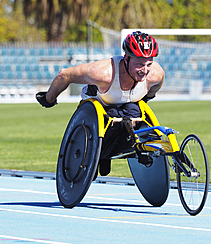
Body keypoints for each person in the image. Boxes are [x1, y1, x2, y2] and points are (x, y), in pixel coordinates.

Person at [36, 31, 165, 176]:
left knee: (135, 115)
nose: (145, 70)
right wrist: (49, 99)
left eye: (149, 64)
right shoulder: (103, 73)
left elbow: (153, 90)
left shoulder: (155, 74)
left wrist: (146, 98)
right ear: (126, 58)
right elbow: (65, 74)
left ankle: (119, 150)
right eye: (140, 64)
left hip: (128, 105)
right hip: (100, 104)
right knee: (113, 117)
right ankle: (101, 153)